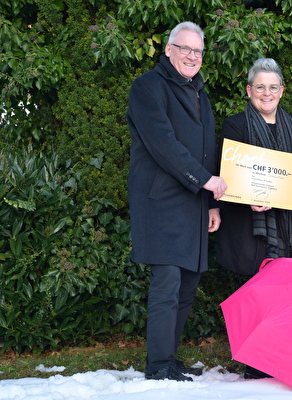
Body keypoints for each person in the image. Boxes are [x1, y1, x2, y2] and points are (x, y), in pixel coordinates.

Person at [127, 21, 227, 382]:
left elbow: (207, 148)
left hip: (195, 202)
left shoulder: (199, 91)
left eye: (198, 51)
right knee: (167, 283)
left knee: (187, 284)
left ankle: (169, 358)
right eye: (184, 49)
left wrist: (213, 201)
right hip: (162, 201)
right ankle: (158, 367)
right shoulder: (148, 87)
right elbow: (164, 145)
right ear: (168, 50)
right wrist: (206, 181)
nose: (191, 56)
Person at [217, 57, 292, 277]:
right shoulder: (235, 125)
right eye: (260, 87)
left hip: (290, 226)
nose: (267, 93)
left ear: (281, 91)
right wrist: (249, 199)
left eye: (273, 87)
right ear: (249, 90)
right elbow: (224, 176)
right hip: (250, 228)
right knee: (252, 293)